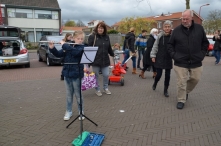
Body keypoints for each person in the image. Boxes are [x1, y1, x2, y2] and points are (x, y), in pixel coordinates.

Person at [167, 9, 209, 109]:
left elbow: (205, 43)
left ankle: (185, 92)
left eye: (186, 19)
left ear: (191, 18)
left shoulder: (199, 28)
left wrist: (202, 54)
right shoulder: (176, 30)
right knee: (181, 82)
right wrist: (174, 55)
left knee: (195, 79)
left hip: (196, 60)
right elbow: (170, 45)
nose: (184, 21)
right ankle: (181, 99)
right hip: (180, 61)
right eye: (183, 19)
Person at [48, 31, 87, 121]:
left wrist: (64, 44)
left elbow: (75, 53)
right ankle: (68, 111)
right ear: (73, 38)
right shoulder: (69, 46)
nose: (80, 40)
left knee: (78, 95)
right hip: (67, 74)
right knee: (69, 95)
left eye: (81, 39)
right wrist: (52, 47)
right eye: (78, 38)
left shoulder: (82, 47)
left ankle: (81, 111)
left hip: (77, 74)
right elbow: (58, 54)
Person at [88, 22, 114, 97]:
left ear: (104, 29)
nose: (100, 29)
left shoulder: (107, 37)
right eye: (99, 28)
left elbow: (109, 47)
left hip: (105, 59)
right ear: (97, 28)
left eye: (102, 28)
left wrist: (112, 54)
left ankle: (105, 88)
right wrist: (88, 61)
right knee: (96, 75)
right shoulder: (92, 36)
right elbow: (89, 48)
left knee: (106, 74)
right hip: (96, 60)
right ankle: (97, 89)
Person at [150, 20, 173, 97]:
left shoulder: (173, 36)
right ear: (163, 28)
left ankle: (165, 90)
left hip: (168, 58)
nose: (167, 28)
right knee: (159, 74)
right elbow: (155, 46)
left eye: (168, 27)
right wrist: (153, 56)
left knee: (168, 75)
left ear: (171, 27)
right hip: (160, 57)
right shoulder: (159, 36)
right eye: (165, 27)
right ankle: (155, 83)